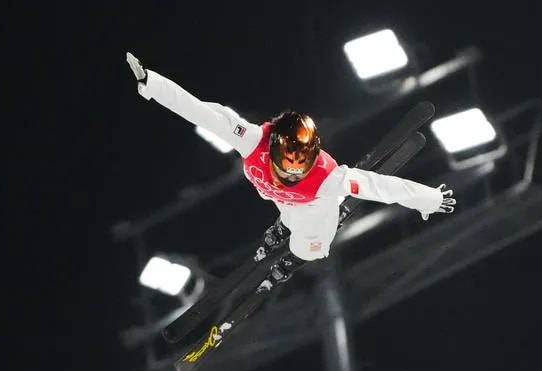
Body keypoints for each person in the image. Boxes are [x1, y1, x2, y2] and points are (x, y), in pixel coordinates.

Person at [126, 52, 455, 271]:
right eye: (288, 165)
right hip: (284, 204)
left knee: (311, 249)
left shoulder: (326, 178)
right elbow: (199, 112)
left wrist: (430, 199)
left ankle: (303, 245)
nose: (294, 172)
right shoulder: (251, 140)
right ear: (273, 148)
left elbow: (381, 186)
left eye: (301, 167)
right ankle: (288, 226)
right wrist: (152, 83)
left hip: (316, 210)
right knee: (220, 119)